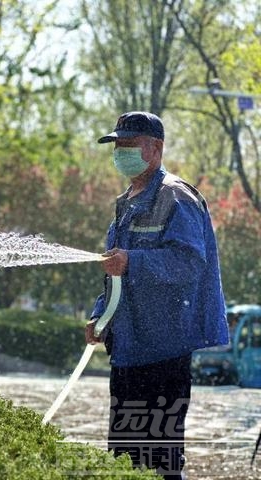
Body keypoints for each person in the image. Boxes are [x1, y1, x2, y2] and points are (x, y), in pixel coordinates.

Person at [85, 111, 229, 479]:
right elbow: (114, 272)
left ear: (156, 148)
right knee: (122, 459)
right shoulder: (126, 202)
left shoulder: (175, 197)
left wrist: (133, 261)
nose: (121, 152)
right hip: (129, 352)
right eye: (118, 146)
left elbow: (187, 263)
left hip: (164, 355)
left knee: (159, 461)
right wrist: (100, 317)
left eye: (129, 145)